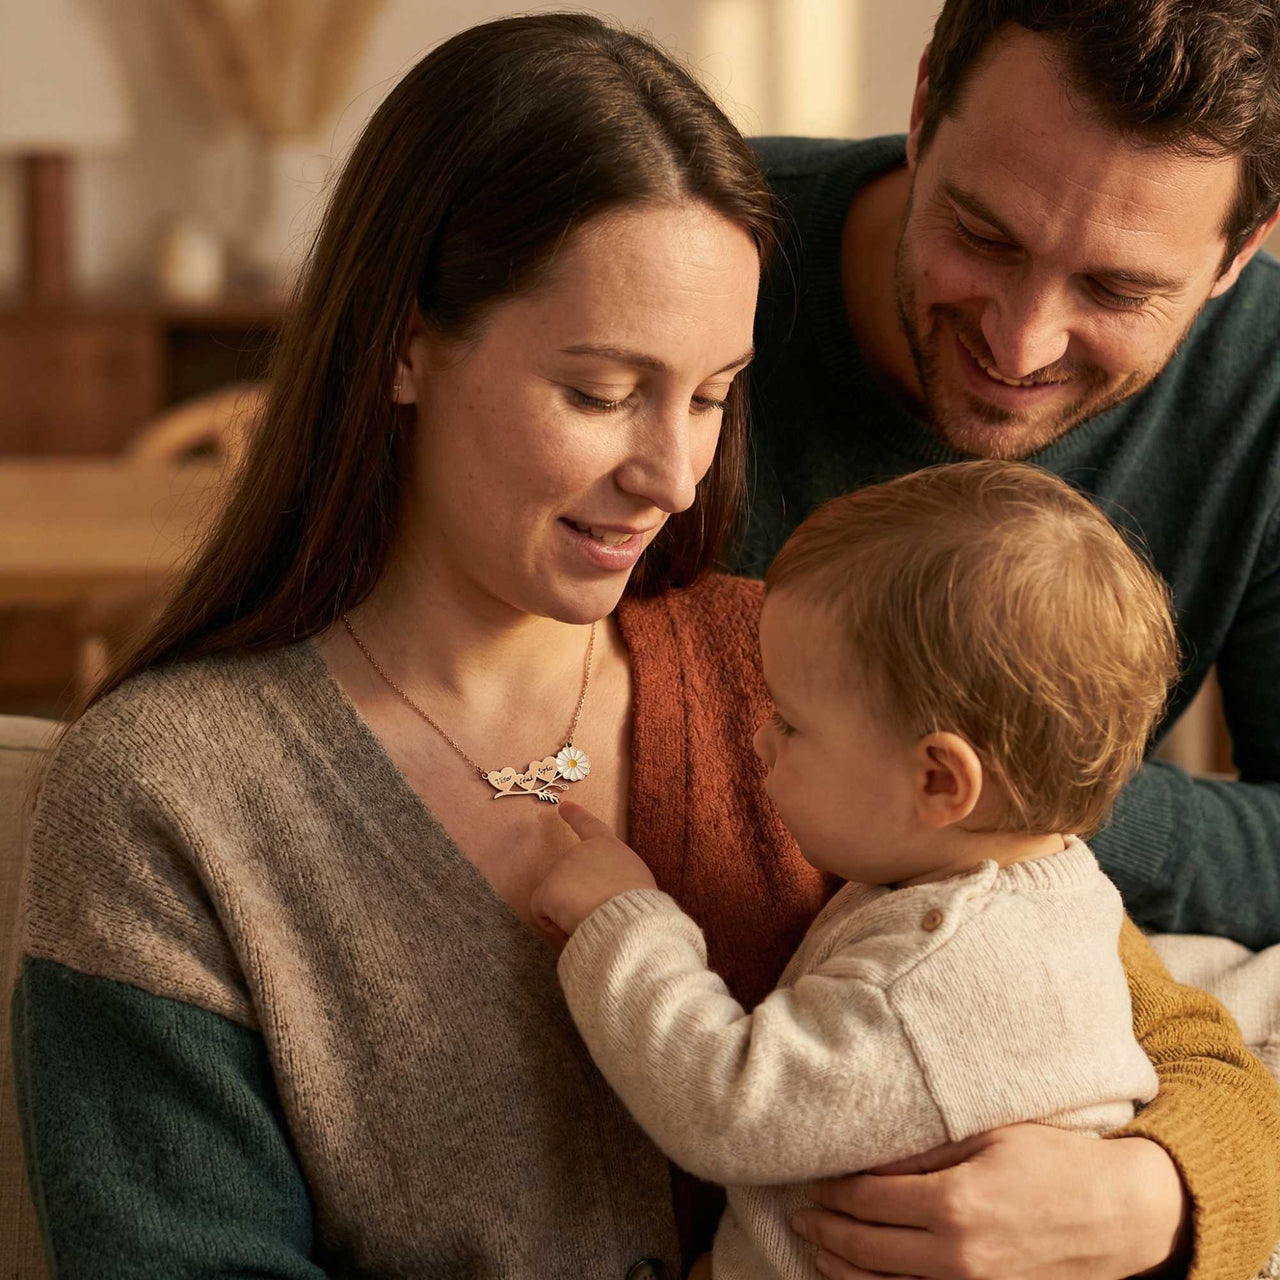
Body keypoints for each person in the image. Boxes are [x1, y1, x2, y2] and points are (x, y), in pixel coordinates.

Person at [8, 13, 1278, 1280]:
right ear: (404, 340)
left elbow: (1187, 1049)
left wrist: (1155, 1196)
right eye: (601, 393)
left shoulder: (796, 685)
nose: (671, 475)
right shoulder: (165, 799)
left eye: (715, 395)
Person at [531, 460, 1179, 1280]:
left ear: (939, 781)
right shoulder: (1057, 889)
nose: (760, 740)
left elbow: (728, 1109)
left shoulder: (928, 977)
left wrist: (622, 922)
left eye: (793, 725)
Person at [739, 0, 1280, 955]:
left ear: (1239, 252)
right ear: (921, 113)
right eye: (985, 237)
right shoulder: (688, 254)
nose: (1019, 343)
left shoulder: (1265, 386)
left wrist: (1036, 786)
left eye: (1117, 289)